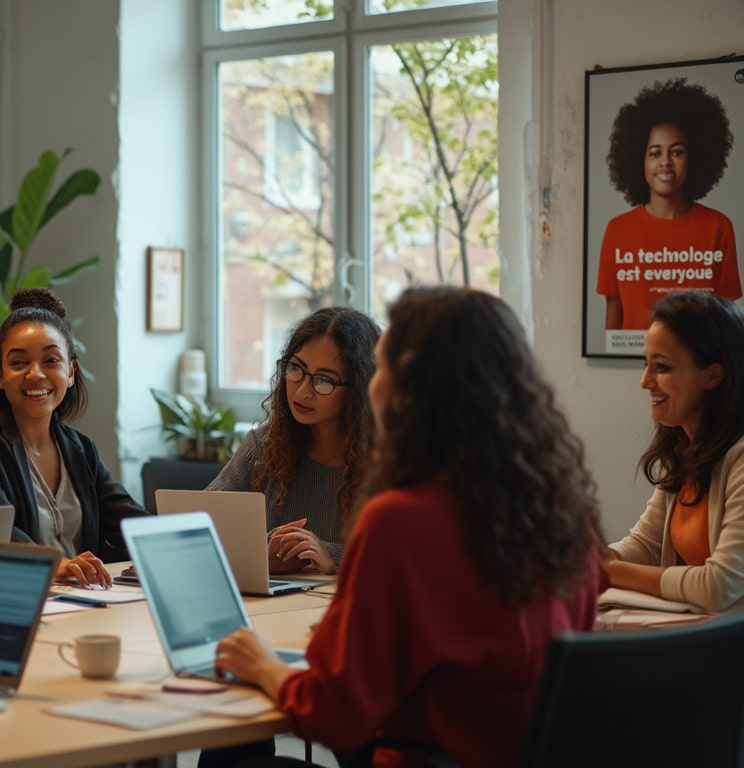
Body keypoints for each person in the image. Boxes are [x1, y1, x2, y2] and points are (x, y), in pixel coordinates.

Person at [213, 287, 605, 767]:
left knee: (234, 759)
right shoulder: (563, 510)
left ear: (414, 391)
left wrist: (263, 666)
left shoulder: (400, 520)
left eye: (384, 368)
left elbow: (333, 715)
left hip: (418, 757)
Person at [0, 288, 148, 587]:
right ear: (0, 375)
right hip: (14, 599)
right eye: (18, 363)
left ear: (70, 372)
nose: (35, 374)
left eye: (51, 360)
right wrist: (61, 566)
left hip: (85, 602)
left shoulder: (81, 449)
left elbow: (129, 522)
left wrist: (176, 545)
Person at [205, 307, 378, 574]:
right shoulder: (264, 445)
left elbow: (412, 557)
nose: (302, 391)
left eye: (323, 380)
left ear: (357, 390)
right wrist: (263, 549)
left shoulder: (387, 460)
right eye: (296, 369)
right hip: (267, 608)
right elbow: (202, 525)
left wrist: (329, 555)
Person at [607, 291, 744, 613]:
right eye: (647, 364)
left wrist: (613, 572)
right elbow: (646, 543)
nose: (645, 381)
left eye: (662, 367)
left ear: (713, 375)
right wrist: (602, 558)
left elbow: (720, 586)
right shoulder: (686, 448)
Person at [597, 78, 738, 331]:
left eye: (677, 151)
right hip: (633, 364)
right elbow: (613, 319)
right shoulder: (617, 230)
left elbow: (726, 318)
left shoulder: (718, 227)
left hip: (698, 366)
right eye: (654, 153)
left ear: (694, 157)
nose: (665, 162)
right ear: (637, 159)